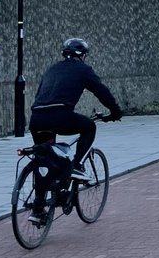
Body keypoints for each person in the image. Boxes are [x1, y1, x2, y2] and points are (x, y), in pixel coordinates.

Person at [27, 37, 122, 223]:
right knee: (89, 126)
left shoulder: (51, 70)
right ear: (83, 56)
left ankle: (38, 209)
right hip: (60, 115)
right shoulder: (83, 70)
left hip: (37, 119)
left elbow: (40, 95)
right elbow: (101, 91)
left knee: (44, 158)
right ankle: (78, 165)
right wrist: (115, 112)